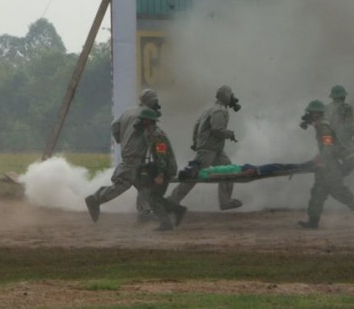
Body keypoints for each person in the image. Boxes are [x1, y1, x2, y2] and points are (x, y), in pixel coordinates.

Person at [84, 89, 160, 223]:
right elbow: (151, 135)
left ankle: (144, 212)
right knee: (123, 184)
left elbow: (115, 125)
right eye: (154, 100)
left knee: (145, 184)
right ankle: (96, 199)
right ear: (150, 100)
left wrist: (121, 139)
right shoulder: (148, 114)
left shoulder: (128, 112)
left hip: (129, 153)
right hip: (135, 155)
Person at [168, 85, 243, 210]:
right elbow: (217, 129)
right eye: (231, 94)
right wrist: (230, 134)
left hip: (214, 149)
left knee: (229, 170)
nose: (232, 97)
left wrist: (195, 143)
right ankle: (172, 201)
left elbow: (196, 126)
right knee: (194, 175)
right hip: (209, 149)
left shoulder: (209, 109)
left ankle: (225, 201)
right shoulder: (219, 110)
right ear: (225, 96)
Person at [298, 99, 354, 229]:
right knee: (317, 194)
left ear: (317, 113)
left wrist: (322, 159)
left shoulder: (323, 126)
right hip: (326, 166)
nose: (310, 114)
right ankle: (313, 221)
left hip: (330, 167)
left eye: (312, 112)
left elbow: (328, 144)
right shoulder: (319, 123)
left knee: (339, 192)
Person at [135, 107, 187, 231]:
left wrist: (161, 174)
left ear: (148, 121)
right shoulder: (151, 133)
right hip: (162, 167)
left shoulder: (157, 136)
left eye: (143, 120)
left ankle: (167, 223)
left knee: (153, 198)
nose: (141, 122)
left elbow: (161, 156)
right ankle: (177, 210)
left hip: (165, 169)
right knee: (154, 197)